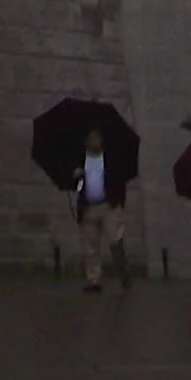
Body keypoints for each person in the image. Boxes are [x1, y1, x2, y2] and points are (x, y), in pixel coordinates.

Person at [72, 119, 128, 290]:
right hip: (89, 207)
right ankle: (94, 279)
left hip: (108, 206)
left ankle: (123, 272)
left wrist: (118, 203)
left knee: (115, 240)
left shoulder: (109, 159)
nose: (95, 141)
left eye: (98, 138)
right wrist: (76, 177)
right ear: (86, 141)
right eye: (92, 138)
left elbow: (119, 181)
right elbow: (75, 186)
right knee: (91, 246)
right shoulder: (81, 161)